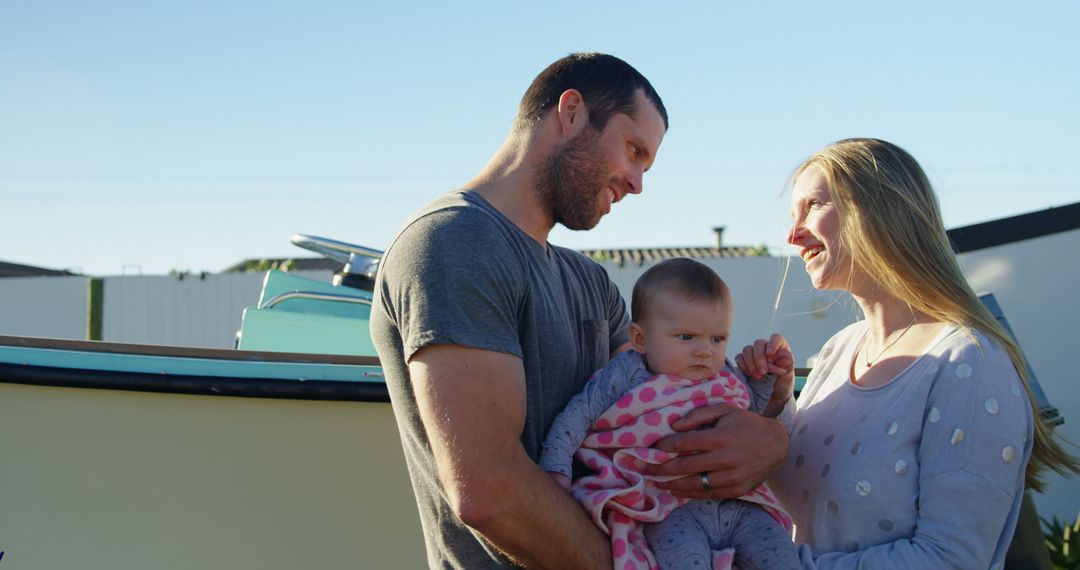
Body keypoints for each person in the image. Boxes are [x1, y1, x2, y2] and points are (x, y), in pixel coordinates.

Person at [370, 52, 789, 569]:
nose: (638, 183)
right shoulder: (455, 242)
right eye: (634, 150)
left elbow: (665, 408)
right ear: (570, 113)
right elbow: (490, 490)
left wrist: (770, 435)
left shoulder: (591, 283)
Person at [736, 138, 1079, 569]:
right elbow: (811, 494)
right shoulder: (839, 351)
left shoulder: (969, 363)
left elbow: (950, 559)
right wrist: (777, 407)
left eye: (813, 206)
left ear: (878, 210)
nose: (793, 233)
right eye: (793, 214)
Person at [539, 258, 800, 570]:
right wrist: (556, 465)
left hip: (741, 505)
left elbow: (752, 415)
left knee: (783, 558)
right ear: (639, 339)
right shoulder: (628, 373)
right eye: (687, 337)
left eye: (717, 338)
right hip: (668, 508)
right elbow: (579, 414)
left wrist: (767, 379)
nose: (705, 350)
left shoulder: (725, 373)